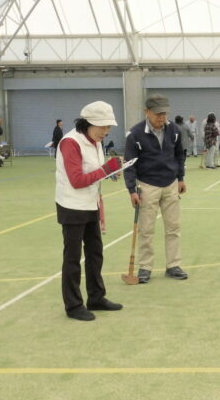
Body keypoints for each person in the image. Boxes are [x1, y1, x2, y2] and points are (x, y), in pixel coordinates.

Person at [55, 102, 123, 321]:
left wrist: (111, 172)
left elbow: (94, 172)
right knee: (73, 258)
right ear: (88, 123)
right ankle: (73, 305)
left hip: (91, 204)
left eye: (108, 127)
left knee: (95, 253)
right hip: (72, 206)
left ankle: (96, 297)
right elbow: (76, 180)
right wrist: (106, 169)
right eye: (102, 127)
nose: (106, 131)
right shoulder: (70, 142)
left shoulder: (94, 141)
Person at [124, 94, 188, 284]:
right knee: (146, 229)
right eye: (158, 113)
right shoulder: (135, 134)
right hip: (147, 186)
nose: (162, 117)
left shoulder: (173, 130)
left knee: (173, 227)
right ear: (147, 112)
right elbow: (129, 164)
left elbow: (180, 156)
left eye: (164, 113)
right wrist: (132, 190)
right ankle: (145, 268)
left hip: (170, 184)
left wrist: (181, 178)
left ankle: (173, 265)